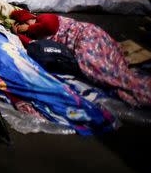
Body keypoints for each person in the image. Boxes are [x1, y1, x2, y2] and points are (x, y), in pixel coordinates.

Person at [10, 9, 151, 107]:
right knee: (104, 70)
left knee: (96, 68)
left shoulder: (45, 18)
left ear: (29, 18)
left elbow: (49, 25)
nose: (25, 27)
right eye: (22, 25)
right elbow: (34, 46)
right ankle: (132, 84)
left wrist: (28, 28)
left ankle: (138, 86)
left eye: (25, 22)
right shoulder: (35, 35)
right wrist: (18, 34)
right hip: (82, 42)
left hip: (86, 35)